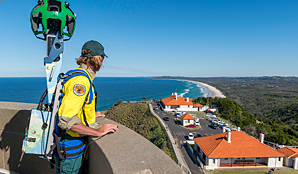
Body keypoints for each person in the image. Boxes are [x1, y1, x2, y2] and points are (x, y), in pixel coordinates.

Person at [55, 40, 118, 174]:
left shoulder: (75, 74)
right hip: (70, 148)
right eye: (101, 58)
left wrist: (90, 115)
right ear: (98, 58)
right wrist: (98, 132)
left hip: (71, 147)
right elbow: (67, 120)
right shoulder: (81, 81)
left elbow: (72, 105)